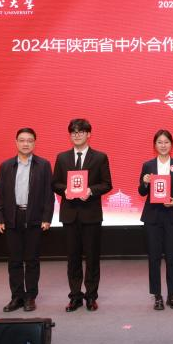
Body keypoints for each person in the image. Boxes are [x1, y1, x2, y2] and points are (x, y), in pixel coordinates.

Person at [52, 118, 112, 312]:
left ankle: (91, 296)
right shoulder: (62, 158)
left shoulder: (100, 157)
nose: (77, 135)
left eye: (80, 132)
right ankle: (75, 296)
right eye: (73, 132)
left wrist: (91, 191)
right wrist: (65, 191)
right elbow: (55, 183)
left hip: (91, 214)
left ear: (88, 134)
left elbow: (107, 184)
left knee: (92, 258)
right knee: (73, 258)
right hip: (70, 214)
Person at [0, 127, 54, 313]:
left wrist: (47, 217)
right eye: (22, 140)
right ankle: (17, 296)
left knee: (32, 260)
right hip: (12, 217)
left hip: (34, 217)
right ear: (16, 142)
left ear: (34, 143)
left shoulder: (43, 165)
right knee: (14, 260)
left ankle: (30, 297)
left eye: (29, 140)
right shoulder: (6, 166)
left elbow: (49, 194)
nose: (25, 144)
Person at [138, 129, 173, 311]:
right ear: (155, 145)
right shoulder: (147, 165)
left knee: (172, 257)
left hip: (172, 216)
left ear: (171, 145)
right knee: (154, 257)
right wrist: (145, 182)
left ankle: (171, 295)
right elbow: (141, 192)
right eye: (159, 142)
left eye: (166, 142)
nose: (163, 145)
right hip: (152, 217)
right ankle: (157, 296)